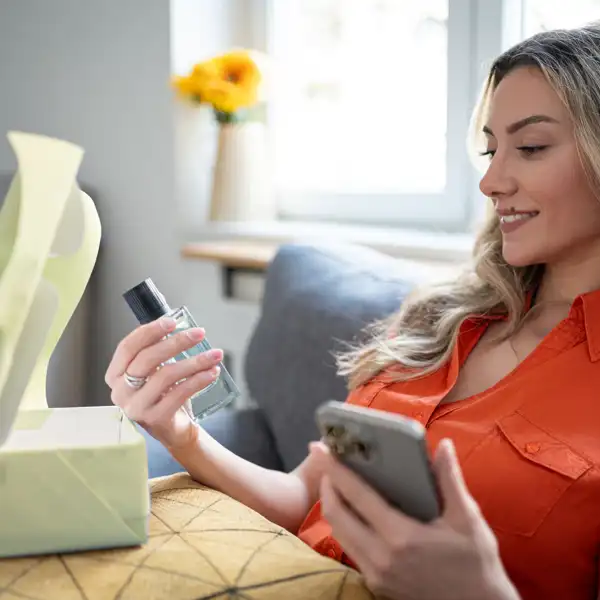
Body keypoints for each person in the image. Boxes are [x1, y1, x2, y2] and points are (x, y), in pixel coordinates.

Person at [105, 21, 600, 600]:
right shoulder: (443, 321)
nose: (491, 180)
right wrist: (182, 433)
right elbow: (301, 500)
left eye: (532, 148)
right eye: (491, 149)